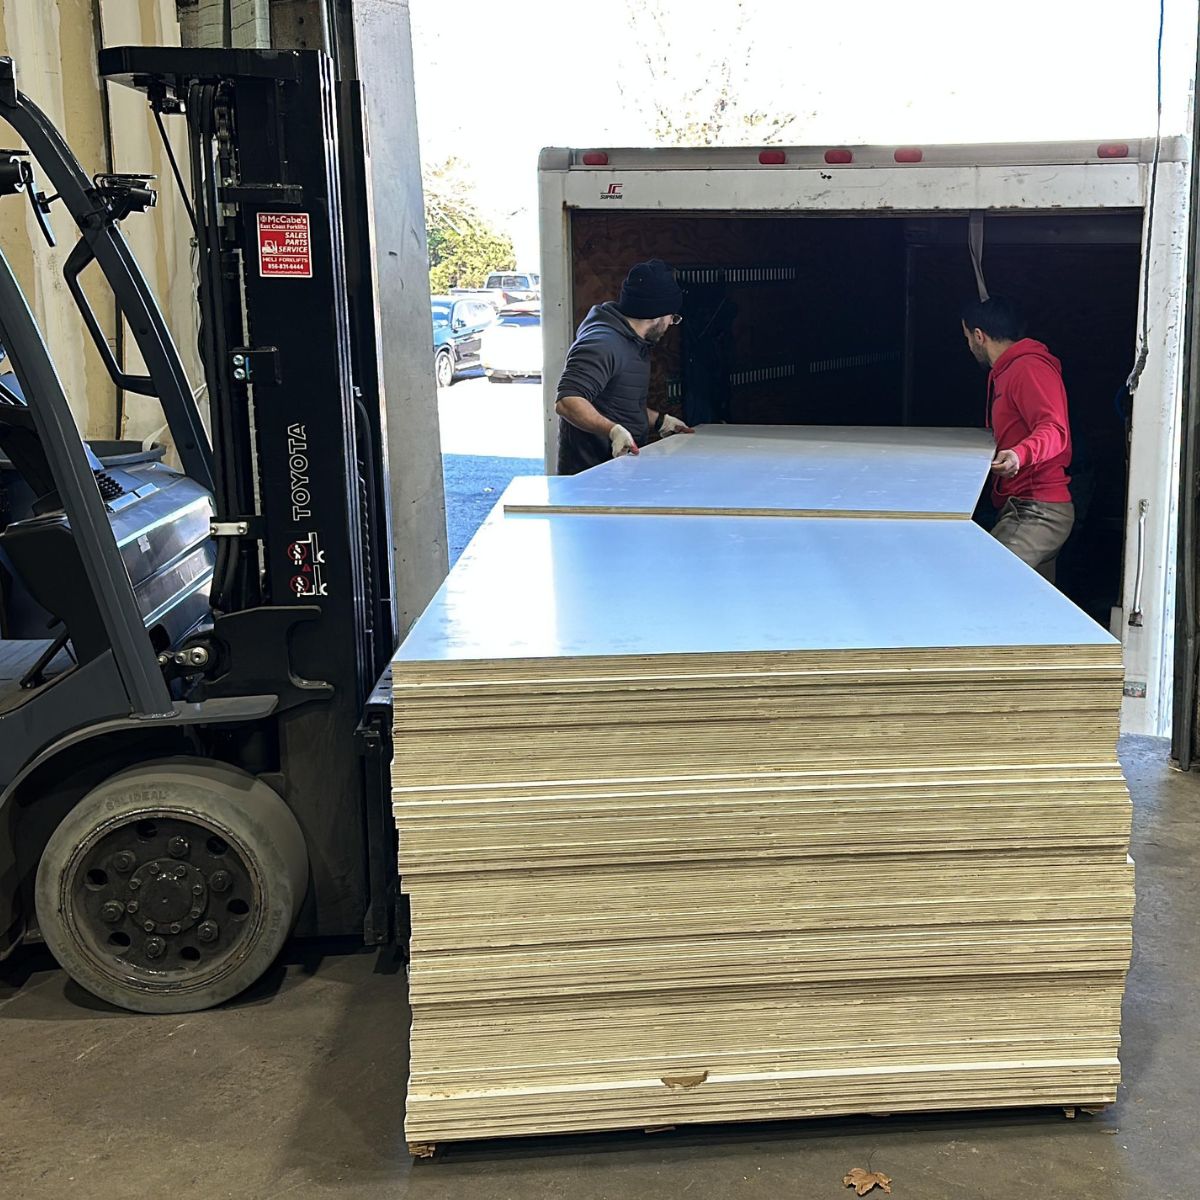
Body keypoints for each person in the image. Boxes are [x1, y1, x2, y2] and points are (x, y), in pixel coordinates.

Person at [962, 296, 1074, 580]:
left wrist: (1018, 454)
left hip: (1038, 511)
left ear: (979, 336)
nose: (968, 346)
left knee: (985, 580)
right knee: (1034, 606)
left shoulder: (1028, 369)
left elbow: (1054, 429)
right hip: (1021, 506)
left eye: (967, 338)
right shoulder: (1006, 372)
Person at [555, 259, 693, 474]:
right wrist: (613, 431)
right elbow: (567, 402)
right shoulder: (602, 343)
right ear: (656, 314)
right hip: (591, 476)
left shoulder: (634, 343)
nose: (670, 325)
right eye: (671, 318)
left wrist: (660, 421)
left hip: (618, 470)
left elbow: (615, 402)